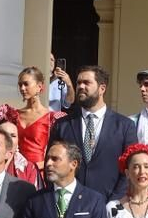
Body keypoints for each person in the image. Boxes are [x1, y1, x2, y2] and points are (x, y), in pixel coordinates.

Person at [49, 65, 136, 199]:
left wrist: (115, 202)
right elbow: (51, 164)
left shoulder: (124, 126)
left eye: (87, 83)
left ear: (102, 88)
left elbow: (130, 168)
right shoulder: (63, 125)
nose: (81, 86)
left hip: (108, 206)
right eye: (78, 83)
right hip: (68, 203)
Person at [14, 65, 66, 174]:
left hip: (39, 171)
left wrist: (39, 165)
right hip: (15, 172)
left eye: (26, 84)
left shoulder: (51, 117)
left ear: (39, 86)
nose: (22, 88)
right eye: (20, 85)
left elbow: (60, 150)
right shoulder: (13, 115)